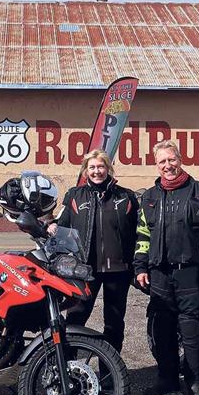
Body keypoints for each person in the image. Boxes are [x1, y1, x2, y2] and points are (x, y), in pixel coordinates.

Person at [134, 140, 199, 395]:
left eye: (171, 160)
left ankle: (196, 381)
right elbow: (142, 234)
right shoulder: (150, 197)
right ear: (156, 165)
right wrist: (141, 266)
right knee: (162, 330)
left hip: (191, 273)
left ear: (180, 159)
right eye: (162, 161)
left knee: (191, 330)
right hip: (160, 274)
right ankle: (167, 378)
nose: (168, 166)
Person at [47, 150, 139, 353]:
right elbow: (61, 225)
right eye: (92, 167)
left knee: (114, 322)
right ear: (85, 171)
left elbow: (139, 232)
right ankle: (68, 368)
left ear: (108, 168)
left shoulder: (126, 196)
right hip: (84, 270)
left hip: (119, 270)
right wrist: (51, 227)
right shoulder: (74, 195)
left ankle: (110, 374)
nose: (97, 171)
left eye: (100, 166)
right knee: (76, 318)